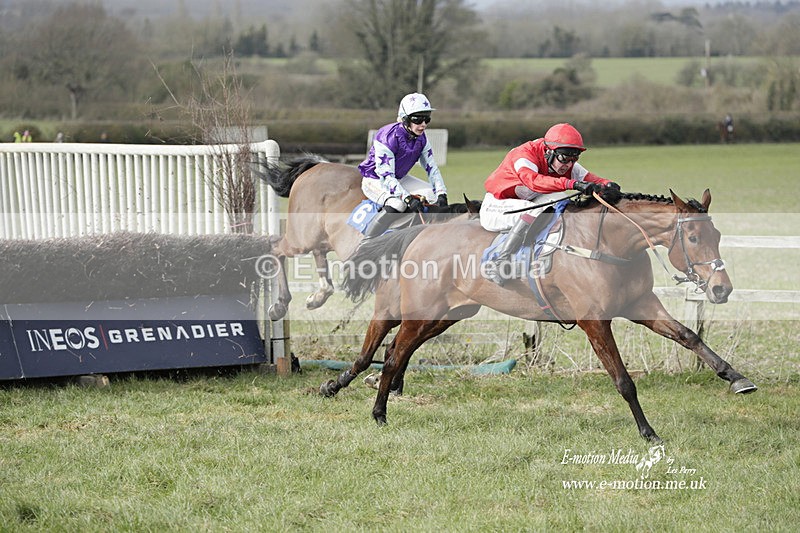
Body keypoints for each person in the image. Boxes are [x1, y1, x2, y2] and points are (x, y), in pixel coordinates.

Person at [480, 122, 621, 286]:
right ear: (549, 152)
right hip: (497, 207)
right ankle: (498, 264)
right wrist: (571, 184)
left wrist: (609, 185)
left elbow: (592, 179)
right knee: (537, 210)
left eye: (573, 159)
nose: (568, 165)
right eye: (564, 159)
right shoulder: (524, 155)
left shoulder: (564, 160)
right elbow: (533, 181)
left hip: (527, 201)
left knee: (561, 201)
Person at [358, 92, 448, 238]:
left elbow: (432, 168)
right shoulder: (387, 137)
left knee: (431, 195)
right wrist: (407, 198)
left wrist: (441, 193)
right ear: (405, 119)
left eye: (427, 119)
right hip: (375, 179)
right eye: (418, 119)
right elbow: (386, 176)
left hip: (399, 178)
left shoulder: (422, 138)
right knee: (398, 204)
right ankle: (366, 243)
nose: (423, 124)